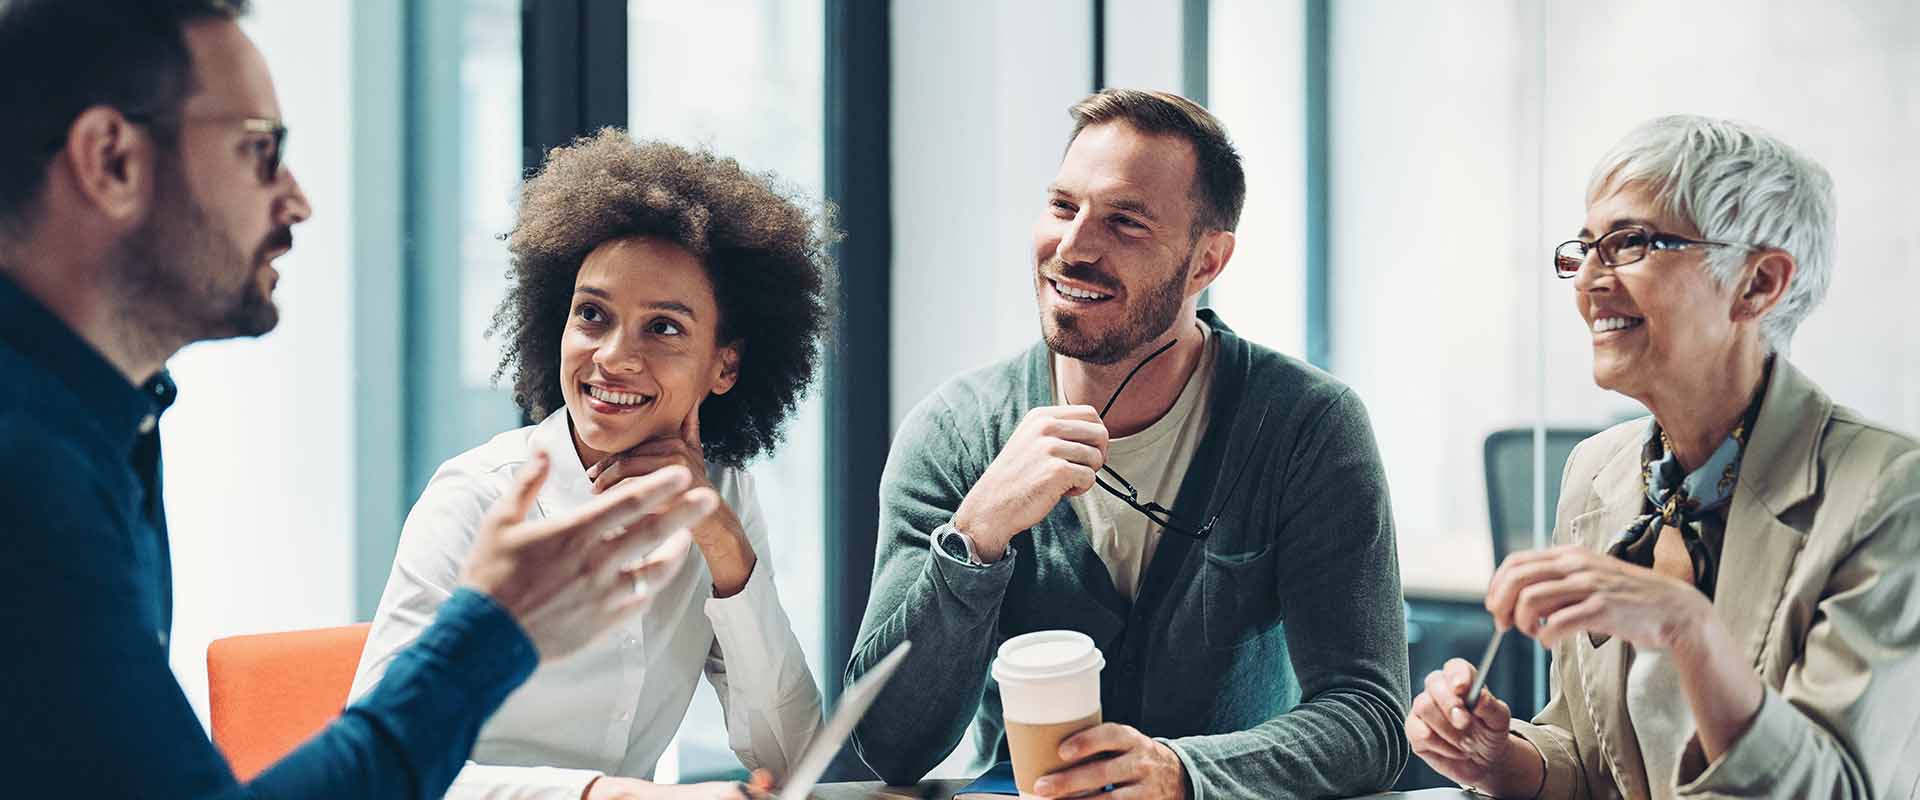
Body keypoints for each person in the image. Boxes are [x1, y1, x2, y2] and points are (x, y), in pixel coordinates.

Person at [0, 1, 721, 796]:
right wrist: (494, 627)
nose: (298, 199)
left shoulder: (104, 428)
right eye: (260, 150)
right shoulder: (28, 476)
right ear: (111, 161)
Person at [847, 88, 1409, 799]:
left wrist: (1184, 775)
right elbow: (891, 745)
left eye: (1126, 222)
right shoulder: (956, 431)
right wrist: (977, 535)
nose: (1074, 247)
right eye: (1062, 207)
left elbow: (1370, 719)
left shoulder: (1306, 425)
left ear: (1206, 262)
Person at [1406, 115, 1920, 798]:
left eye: (1630, 243)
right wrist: (1504, 762)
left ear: (1759, 284)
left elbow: (1837, 788)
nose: (1587, 280)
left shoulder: (1889, 491)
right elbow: (1595, 764)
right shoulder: (1597, 472)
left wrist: (1687, 627)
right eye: (1583, 249)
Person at [350, 130, 834, 800]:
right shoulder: (476, 499)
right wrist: (609, 795)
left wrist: (722, 542)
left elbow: (795, 757)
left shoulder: (724, 498)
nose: (613, 357)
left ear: (725, 365)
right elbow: (378, 776)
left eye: (663, 328)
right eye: (592, 315)